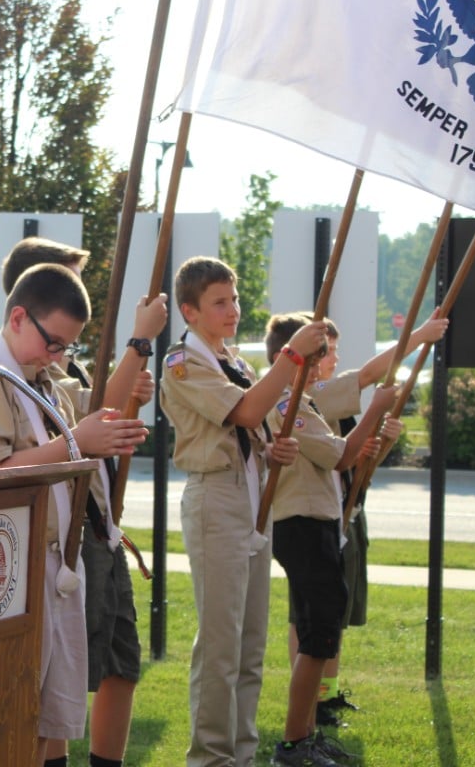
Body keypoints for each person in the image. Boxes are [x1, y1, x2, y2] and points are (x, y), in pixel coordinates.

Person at [0, 264, 165, 767]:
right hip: (7, 572)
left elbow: (96, 407)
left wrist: (101, 424)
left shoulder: (45, 382)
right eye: (54, 343)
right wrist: (77, 443)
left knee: (49, 717)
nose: (59, 356)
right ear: (18, 317)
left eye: (67, 348)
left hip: (55, 564)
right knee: (9, 712)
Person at [0, 236, 167, 767]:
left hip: (93, 524)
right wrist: (139, 342)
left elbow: (100, 412)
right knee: (49, 687)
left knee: (104, 667)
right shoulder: (1, 373)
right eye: (68, 277)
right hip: (50, 543)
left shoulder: (51, 369)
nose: (62, 350)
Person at [157, 256, 325, 767]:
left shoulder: (235, 360)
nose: (232, 310)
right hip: (217, 498)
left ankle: (242, 753)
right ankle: (210, 757)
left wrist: (273, 451)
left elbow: (255, 427)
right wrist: (292, 358)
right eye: (219, 302)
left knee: (251, 645)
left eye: (234, 299)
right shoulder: (183, 362)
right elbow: (247, 410)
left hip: (253, 498)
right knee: (221, 645)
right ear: (189, 310)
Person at [291, 313, 449, 728]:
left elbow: (356, 464)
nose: (334, 358)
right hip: (315, 517)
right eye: (327, 351)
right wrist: (420, 336)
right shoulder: (311, 395)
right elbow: (369, 377)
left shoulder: (322, 396)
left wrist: (384, 441)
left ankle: (323, 695)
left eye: (334, 351)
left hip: (345, 511)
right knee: (310, 617)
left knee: (333, 614)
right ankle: (308, 710)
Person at [263, 313, 400, 766]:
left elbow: (348, 457)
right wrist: (376, 408)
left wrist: (375, 436)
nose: (327, 364)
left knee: (321, 630)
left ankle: (304, 734)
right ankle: (294, 741)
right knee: (318, 630)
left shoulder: (306, 402)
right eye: (322, 355)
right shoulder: (287, 404)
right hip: (300, 524)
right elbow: (340, 457)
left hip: (317, 521)